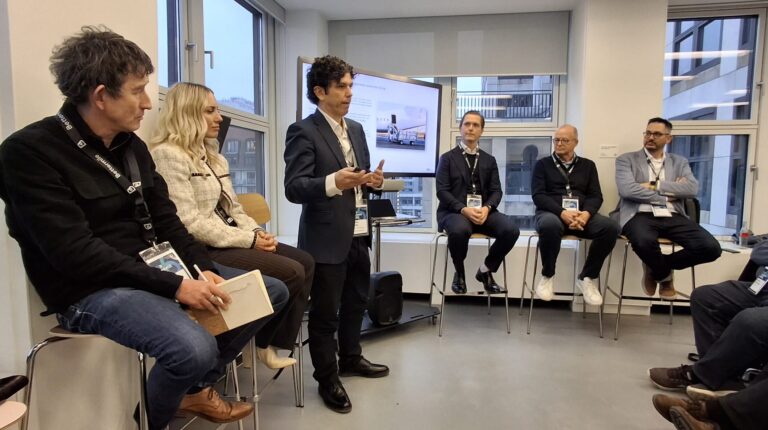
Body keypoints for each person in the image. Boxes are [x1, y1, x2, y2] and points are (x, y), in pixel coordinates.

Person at [0, 26, 288, 430]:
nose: (148, 103)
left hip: (156, 271)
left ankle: (191, 389)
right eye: (138, 91)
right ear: (101, 96)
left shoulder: (131, 146)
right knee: (193, 347)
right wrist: (175, 286)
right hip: (90, 289)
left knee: (270, 291)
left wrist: (201, 267)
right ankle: (153, 420)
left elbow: (167, 219)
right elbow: (74, 253)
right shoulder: (28, 152)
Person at [150, 82, 314, 370]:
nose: (219, 119)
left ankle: (268, 343)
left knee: (306, 261)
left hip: (230, 237)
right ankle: (249, 344)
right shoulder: (167, 155)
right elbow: (187, 222)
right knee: (291, 272)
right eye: (210, 111)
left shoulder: (213, 156)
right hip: (203, 247)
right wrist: (248, 241)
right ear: (187, 113)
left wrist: (256, 232)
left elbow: (233, 208)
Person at [284, 55, 389, 414]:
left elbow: (359, 178)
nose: (348, 93)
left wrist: (372, 182)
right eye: (341, 86)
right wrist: (333, 182)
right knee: (326, 314)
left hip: (359, 231)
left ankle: (351, 358)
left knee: (356, 303)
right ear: (319, 91)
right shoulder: (303, 130)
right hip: (325, 238)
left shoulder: (356, 129)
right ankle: (326, 377)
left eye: (350, 86)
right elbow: (294, 188)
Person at [647, 239, 768, 402]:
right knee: (704, 297)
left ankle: (700, 374)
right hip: (761, 289)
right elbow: (759, 251)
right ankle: (725, 380)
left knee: (749, 320)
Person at [615, 117, 721, 299]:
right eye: (647, 133)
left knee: (711, 248)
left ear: (668, 138)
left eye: (656, 134)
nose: (650, 137)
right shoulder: (626, 160)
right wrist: (671, 191)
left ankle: (656, 268)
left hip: (672, 214)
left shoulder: (679, 162)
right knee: (642, 241)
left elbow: (692, 189)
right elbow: (627, 190)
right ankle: (665, 277)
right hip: (639, 213)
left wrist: (655, 185)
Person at [531, 124, 618, 305]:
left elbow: (596, 195)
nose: (559, 143)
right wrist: (562, 213)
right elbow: (538, 195)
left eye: (565, 140)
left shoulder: (588, 165)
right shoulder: (542, 164)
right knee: (549, 225)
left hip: (581, 215)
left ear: (575, 142)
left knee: (611, 227)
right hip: (552, 213)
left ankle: (587, 277)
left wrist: (585, 214)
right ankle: (547, 275)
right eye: (557, 140)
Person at [435, 110, 520, 295]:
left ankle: (485, 270)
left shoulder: (489, 160)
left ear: (481, 131)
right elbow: (442, 191)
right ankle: (460, 272)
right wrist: (463, 209)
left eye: (476, 125)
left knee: (511, 230)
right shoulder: (447, 159)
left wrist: (487, 208)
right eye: (467, 124)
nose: (471, 128)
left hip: (483, 211)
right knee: (458, 231)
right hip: (454, 212)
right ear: (460, 128)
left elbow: (497, 191)